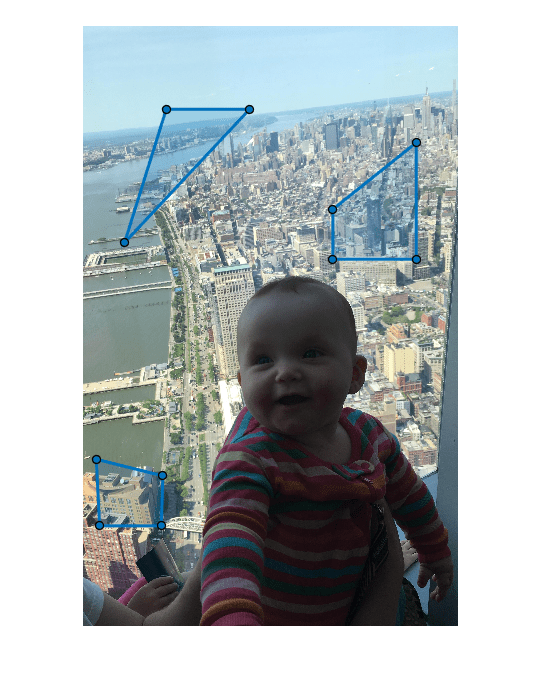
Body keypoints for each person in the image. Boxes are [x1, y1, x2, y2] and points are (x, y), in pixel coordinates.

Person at [199, 276, 453, 626]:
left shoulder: (370, 436)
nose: (285, 372)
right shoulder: (249, 462)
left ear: (355, 374)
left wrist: (434, 549)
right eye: (263, 359)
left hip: (355, 599)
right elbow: (229, 546)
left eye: (310, 354)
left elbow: (412, 498)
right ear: (242, 384)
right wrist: (232, 619)